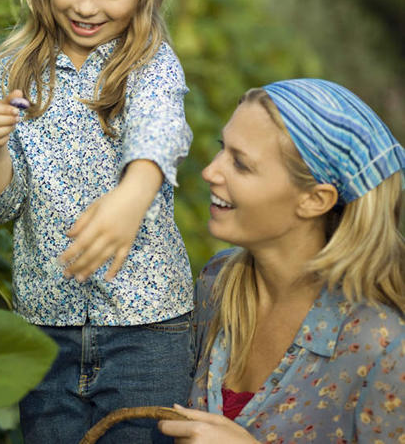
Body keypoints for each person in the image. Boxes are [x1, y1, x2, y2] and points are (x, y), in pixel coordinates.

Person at [0, 0, 194, 443]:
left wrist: (132, 196)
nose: (87, 7)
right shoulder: (13, 69)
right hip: (46, 326)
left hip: (147, 329)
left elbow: (158, 132)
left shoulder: (149, 65)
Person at [158, 79, 405, 443]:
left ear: (314, 200)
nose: (210, 171)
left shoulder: (381, 346)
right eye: (221, 149)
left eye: (240, 164)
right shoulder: (217, 283)